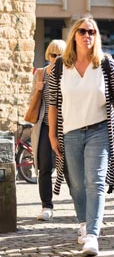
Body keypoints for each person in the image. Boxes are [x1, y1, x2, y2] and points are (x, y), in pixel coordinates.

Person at [46, 17, 114, 256]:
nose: (87, 35)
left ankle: (92, 234)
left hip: (99, 130)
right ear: (74, 35)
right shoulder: (60, 66)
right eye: (82, 31)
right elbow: (52, 103)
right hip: (69, 132)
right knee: (77, 185)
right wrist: (51, 134)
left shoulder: (106, 64)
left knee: (95, 182)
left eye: (92, 31)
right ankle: (83, 223)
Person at [29, 39, 65, 222]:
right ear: (48, 55)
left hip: (67, 127)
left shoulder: (70, 73)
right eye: (53, 55)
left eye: (60, 56)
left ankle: (81, 206)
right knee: (44, 167)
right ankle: (46, 205)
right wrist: (37, 90)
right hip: (44, 126)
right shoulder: (41, 74)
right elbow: (32, 101)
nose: (56, 59)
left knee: (70, 168)